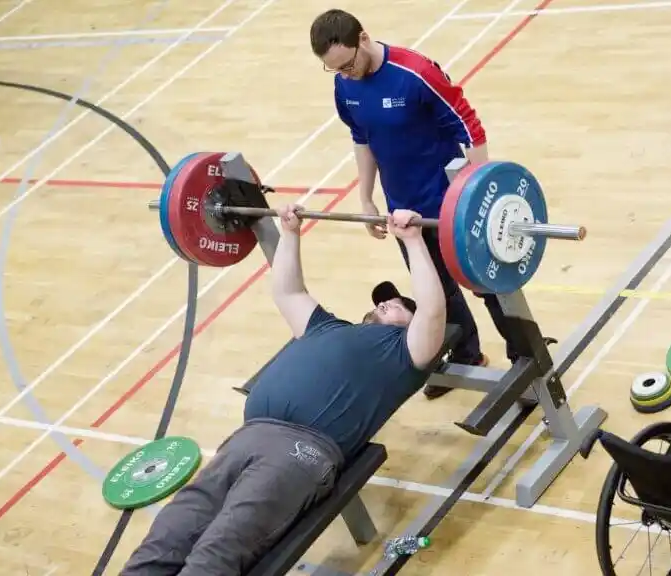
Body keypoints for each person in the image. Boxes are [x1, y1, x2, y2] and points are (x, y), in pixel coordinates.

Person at [119, 206, 447, 576]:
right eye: (382, 302)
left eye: (398, 306)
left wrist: (413, 241)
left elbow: (434, 311)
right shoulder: (327, 327)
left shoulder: (406, 354)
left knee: (216, 553)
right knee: (165, 538)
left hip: (300, 451)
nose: (384, 303)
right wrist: (290, 233)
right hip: (245, 438)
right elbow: (288, 291)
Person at [309, 8, 523, 399]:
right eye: (334, 69)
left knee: (489, 287)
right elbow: (362, 138)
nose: (345, 73)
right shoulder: (345, 86)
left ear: (363, 38)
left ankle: (526, 362)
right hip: (404, 214)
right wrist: (366, 199)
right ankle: (466, 356)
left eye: (347, 64)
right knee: (436, 292)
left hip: (450, 206)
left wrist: (481, 197)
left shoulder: (416, 73)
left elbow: (469, 126)